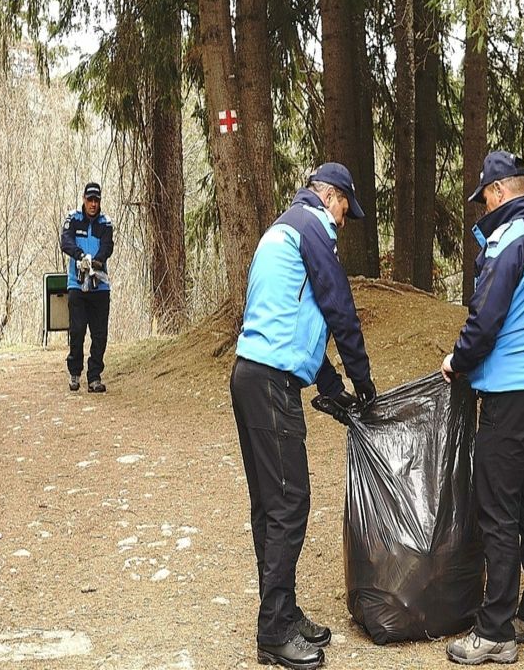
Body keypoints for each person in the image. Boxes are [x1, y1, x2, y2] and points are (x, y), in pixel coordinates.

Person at [231, 162, 376, 670]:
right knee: (290, 504)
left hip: (253, 375)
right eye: (344, 209)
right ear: (329, 196)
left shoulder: (281, 229)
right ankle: (273, 632)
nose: (342, 220)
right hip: (270, 382)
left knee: (271, 505)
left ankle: (284, 613)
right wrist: (363, 380)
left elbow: (299, 324)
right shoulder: (312, 226)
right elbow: (339, 307)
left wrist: (334, 389)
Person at [441, 151, 524, 665]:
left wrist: (458, 362)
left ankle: (495, 629)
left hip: (508, 392)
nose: (483, 208)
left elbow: (486, 319)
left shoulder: (507, 239)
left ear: (497, 192)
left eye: (484, 198)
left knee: (497, 510)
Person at [60, 181, 114, 393]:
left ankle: (94, 377)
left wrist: (97, 262)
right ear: (83, 199)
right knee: (78, 329)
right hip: (77, 285)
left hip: (99, 286)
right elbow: (65, 242)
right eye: (90, 200)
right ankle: (75, 372)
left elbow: (107, 246)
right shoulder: (73, 219)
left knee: (100, 334)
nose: (93, 204)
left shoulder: (105, 222)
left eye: (96, 200)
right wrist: (80, 257)